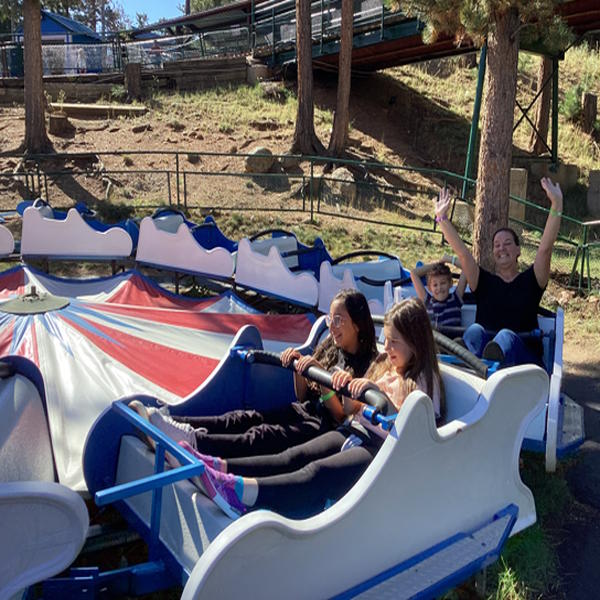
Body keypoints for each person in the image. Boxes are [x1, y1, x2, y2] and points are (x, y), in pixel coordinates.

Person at [176, 297, 444, 519]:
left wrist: (372, 393)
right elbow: (351, 411)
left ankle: (244, 495)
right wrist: (350, 388)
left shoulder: (423, 383)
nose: (386, 348)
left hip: (380, 451)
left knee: (316, 473)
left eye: (394, 341)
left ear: (415, 340)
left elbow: (415, 434)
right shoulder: (385, 367)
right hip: (354, 430)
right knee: (292, 457)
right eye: (385, 339)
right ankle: (220, 467)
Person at [130, 289, 378, 459]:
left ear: (357, 324)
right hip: (306, 410)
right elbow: (302, 396)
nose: (332, 327)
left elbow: (340, 416)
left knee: (261, 436)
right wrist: (299, 368)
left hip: (324, 430)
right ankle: (176, 422)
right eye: (329, 320)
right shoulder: (329, 347)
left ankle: (194, 443)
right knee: (245, 418)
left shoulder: (368, 364)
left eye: (338, 320)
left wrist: (323, 381)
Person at [434, 177, 563, 367]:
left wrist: (556, 205)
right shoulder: (483, 281)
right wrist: (442, 219)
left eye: (507, 243)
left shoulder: (532, 280)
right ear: (493, 253)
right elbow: (463, 254)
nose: (501, 248)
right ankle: (466, 356)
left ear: (518, 250)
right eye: (497, 245)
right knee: (475, 331)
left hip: (524, 364)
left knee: (505, 336)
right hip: (482, 367)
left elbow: (544, 249)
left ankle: (489, 362)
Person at [410, 257, 466, 328]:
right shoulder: (427, 301)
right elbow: (413, 273)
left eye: (443, 283)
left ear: (451, 283)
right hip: (435, 338)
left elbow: (466, 266)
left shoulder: (456, 298)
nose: (439, 288)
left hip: (453, 338)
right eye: (435, 285)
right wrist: (437, 265)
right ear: (430, 288)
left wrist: (449, 259)